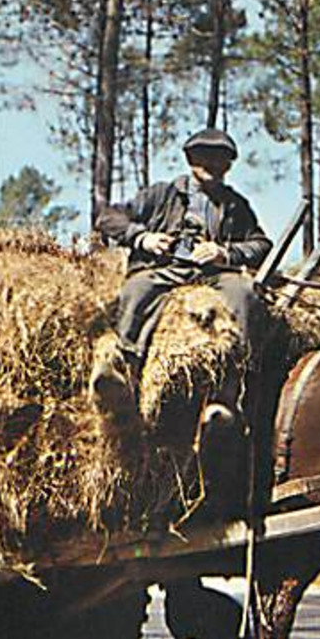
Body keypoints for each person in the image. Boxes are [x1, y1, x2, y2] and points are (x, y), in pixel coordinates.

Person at [91, 128, 272, 430]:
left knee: (244, 295)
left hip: (213, 273)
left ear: (229, 165)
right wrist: (143, 238)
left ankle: (230, 389)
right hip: (164, 268)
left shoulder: (235, 205)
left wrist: (224, 253)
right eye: (205, 158)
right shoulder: (161, 194)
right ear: (191, 159)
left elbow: (261, 244)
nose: (213, 165)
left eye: (221, 159)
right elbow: (108, 218)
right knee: (137, 290)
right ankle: (123, 372)